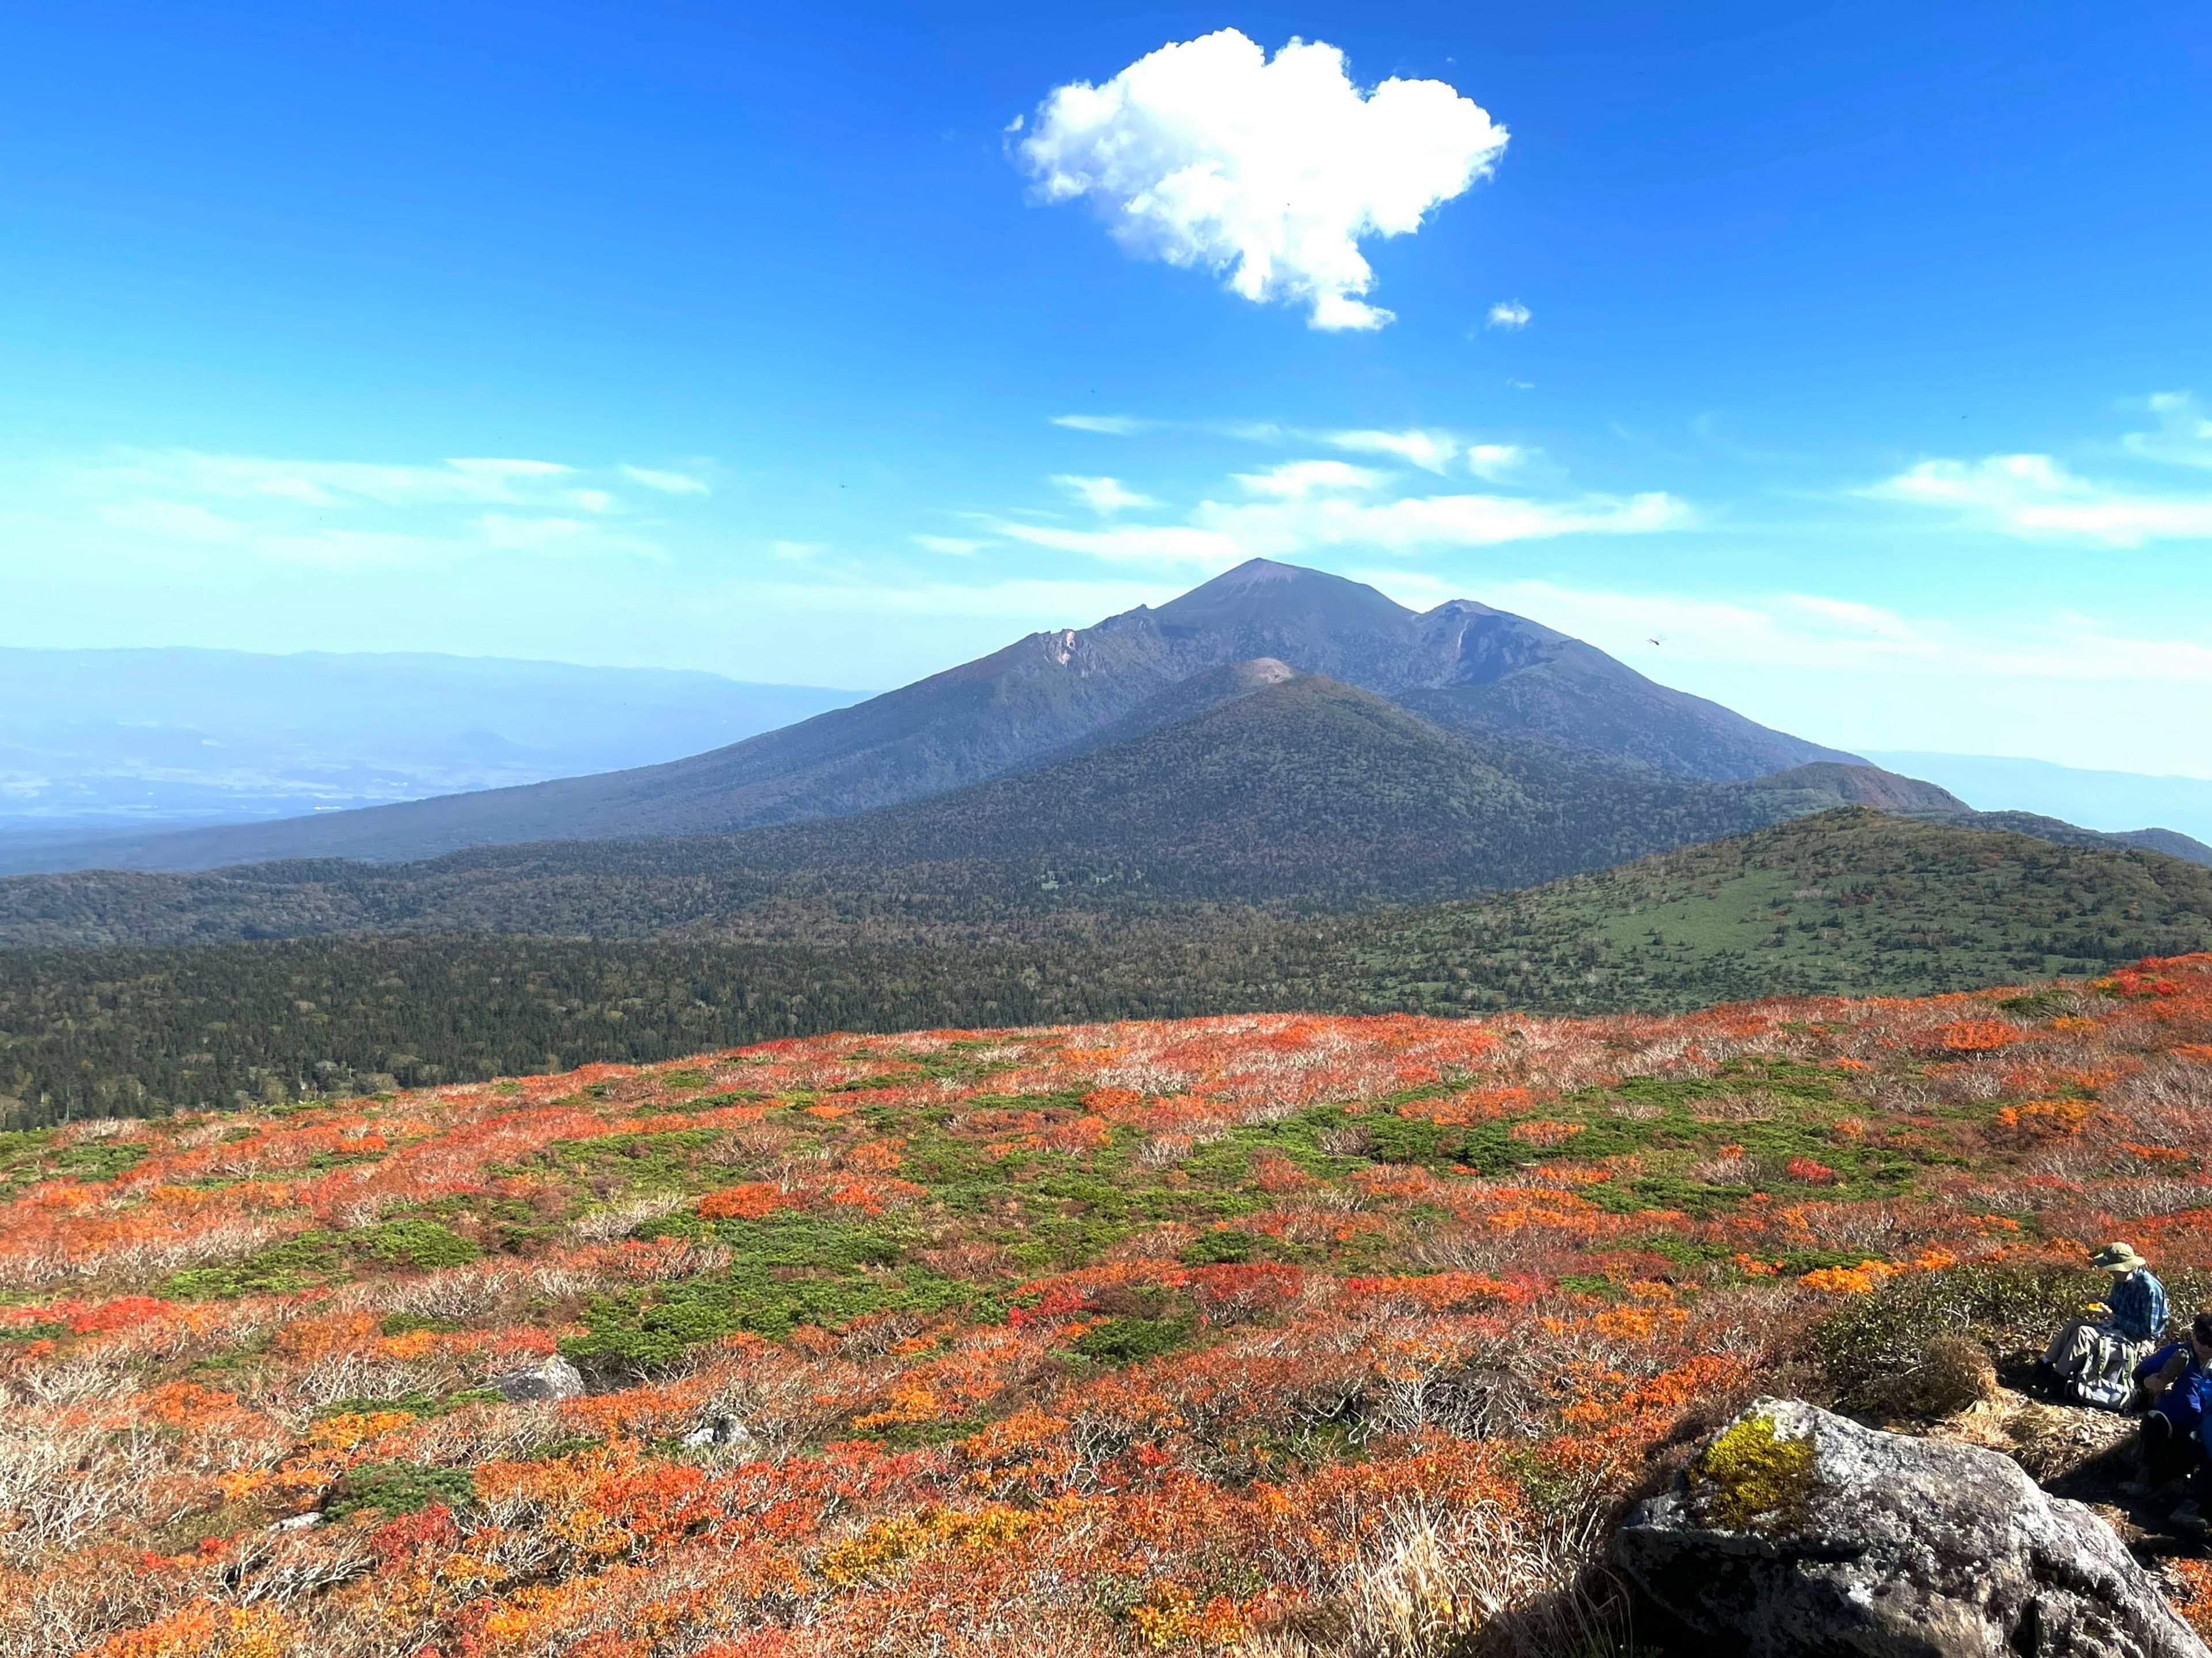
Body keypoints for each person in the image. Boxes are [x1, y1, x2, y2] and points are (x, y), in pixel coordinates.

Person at [2037, 1242, 2168, 1407]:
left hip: (2137, 1341)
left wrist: (2112, 1317)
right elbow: (2115, 1307)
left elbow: (2147, 1331)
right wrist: (2102, 1303)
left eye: (2113, 1269)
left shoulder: (2150, 1289)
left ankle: (2058, 1380)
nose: (2111, 1273)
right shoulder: (2121, 1281)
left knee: (2083, 1333)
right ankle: (2045, 1364)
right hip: (2117, 1330)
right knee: (2075, 1325)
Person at [2129, 1312, 2212, 1532]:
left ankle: (2190, 1498)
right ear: (2194, 1335)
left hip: (2202, 1432)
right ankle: (2143, 1480)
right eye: (2203, 1341)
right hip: (2173, 1425)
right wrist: (2151, 1383)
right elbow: (2139, 1373)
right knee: (2153, 1419)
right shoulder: (2177, 1354)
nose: (2207, 1348)